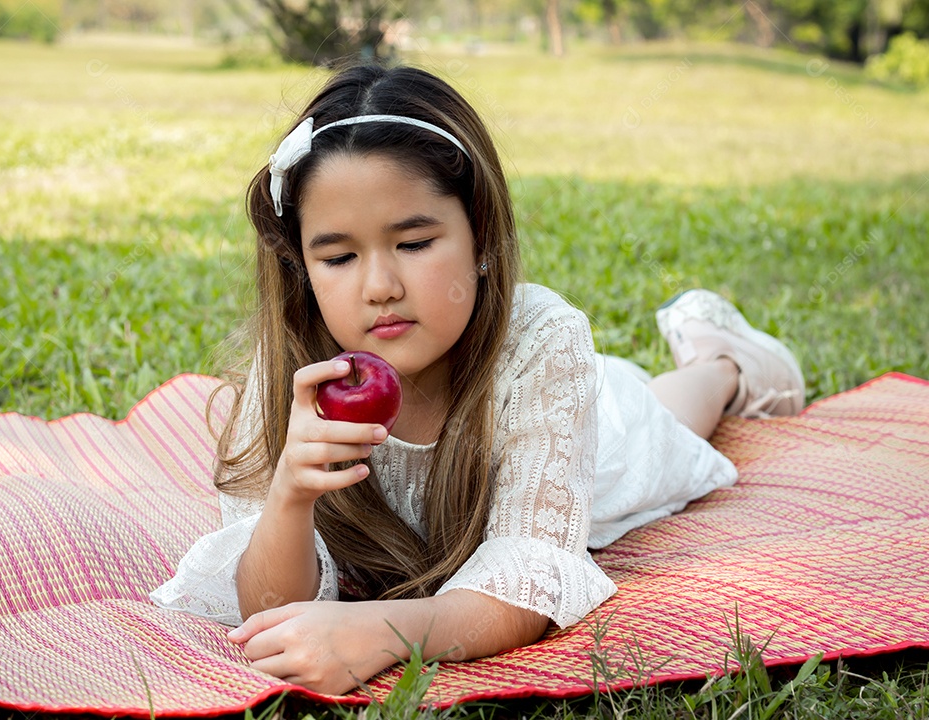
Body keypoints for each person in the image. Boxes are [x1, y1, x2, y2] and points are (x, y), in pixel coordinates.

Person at [150, 63, 804, 694]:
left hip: (590, 436)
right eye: (340, 256)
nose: (380, 287)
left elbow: (525, 584)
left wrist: (380, 632)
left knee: (659, 426)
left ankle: (721, 359)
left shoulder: (540, 341)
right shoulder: (296, 370)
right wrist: (290, 496)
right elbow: (267, 607)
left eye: (413, 244)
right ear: (303, 267)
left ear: (482, 236)